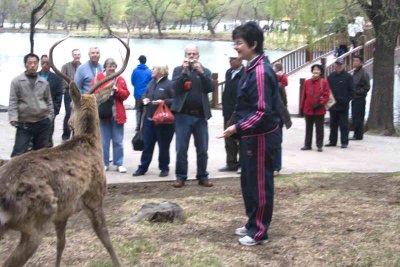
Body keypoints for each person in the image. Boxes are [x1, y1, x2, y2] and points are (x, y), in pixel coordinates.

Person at [221, 22, 282, 246]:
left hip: (262, 138)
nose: (236, 48)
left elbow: (263, 111)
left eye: (239, 43)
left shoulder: (260, 71)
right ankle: (251, 222)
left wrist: (237, 127)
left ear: (253, 44)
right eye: (235, 43)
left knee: (260, 184)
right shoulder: (250, 68)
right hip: (250, 137)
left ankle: (259, 232)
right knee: (248, 182)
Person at [171, 44, 214, 188]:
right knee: (181, 149)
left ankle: (202, 176)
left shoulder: (205, 71)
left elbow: (210, 88)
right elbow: (175, 89)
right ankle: (181, 176)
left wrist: (200, 72)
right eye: (189, 53)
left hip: (200, 116)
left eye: (194, 54)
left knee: (202, 149)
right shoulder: (178, 70)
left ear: (198, 56)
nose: (191, 56)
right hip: (183, 116)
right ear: (185, 55)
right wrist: (184, 72)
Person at [8, 53, 54, 157]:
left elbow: (49, 102)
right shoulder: (17, 81)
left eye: (35, 63)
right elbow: (13, 101)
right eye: (30, 63)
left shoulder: (44, 83)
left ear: (38, 65)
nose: (32, 65)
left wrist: (50, 117)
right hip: (25, 123)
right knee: (18, 152)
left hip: (42, 123)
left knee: (41, 153)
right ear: (25, 65)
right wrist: (13, 117)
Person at [133, 65, 175, 177]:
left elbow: (175, 100)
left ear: (161, 71)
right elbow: (144, 94)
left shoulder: (169, 84)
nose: (151, 70)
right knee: (147, 146)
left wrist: (163, 101)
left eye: (154, 69)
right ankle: (142, 168)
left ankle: (164, 168)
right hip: (149, 120)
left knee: (163, 146)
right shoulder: (151, 83)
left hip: (163, 122)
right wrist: (144, 99)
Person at [91, 58, 130, 173]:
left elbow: (126, 95)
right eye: (109, 66)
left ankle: (119, 163)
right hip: (103, 115)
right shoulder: (98, 78)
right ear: (105, 67)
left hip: (117, 115)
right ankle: (104, 163)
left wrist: (117, 90)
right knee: (104, 141)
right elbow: (93, 93)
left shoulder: (120, 79)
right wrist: (106, 89)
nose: (112, 68)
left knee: (118, 140)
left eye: (114, 66)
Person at [219, 51, 244, 172]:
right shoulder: (229, 73)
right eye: (230, 59)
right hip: (227, 111)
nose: (230, 61)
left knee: (241, 138)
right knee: (228, 138)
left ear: (240, 60)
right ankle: (231, 163)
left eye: (233, 59)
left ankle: (242, 164)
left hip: (239, 111)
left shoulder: (245, 73)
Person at [300, 64, 330, 152]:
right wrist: (302, 107)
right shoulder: (307, 82)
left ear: (321, 72)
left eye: (317, 70)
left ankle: (319, 145)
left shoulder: (324, 82)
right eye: (314, 69)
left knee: (319, 128)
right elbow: (303, 95)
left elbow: (326, 95)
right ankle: (307, 144)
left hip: (319, 109)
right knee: (308, 128)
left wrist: (320, 103)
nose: (315, 71)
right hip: (308, 108)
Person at [326, 58, 354, 148]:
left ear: (344, 65)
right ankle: (332, 141)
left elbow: (352, 91)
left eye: (340, 65)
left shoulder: (348, 77)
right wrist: (328, 102)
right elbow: (327, 90)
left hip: (343, 105)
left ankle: (344, 142)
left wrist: (346, 100)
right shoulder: (331, 76)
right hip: (332, 104)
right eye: (337, 65)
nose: (338, 66)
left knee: (344, 124)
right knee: (333, 124)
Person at [38, 54, 63, 147]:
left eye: (47, 63)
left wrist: (55, 110)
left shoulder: (56, 78)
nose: (45, 65)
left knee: (48, 136)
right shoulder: (35, 76)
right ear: (40, 63)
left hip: (50, 112)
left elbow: (59, 96)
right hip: (36, 112)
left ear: (51, 64)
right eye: (43, 62)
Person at [61, 48, 81, 142]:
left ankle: (75, 134)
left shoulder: (82, 66)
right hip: (68, 94)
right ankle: (66, 135)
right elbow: (62, 79)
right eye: (75, 54)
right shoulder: (65, 66)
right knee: (69, 114)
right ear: (72, 55)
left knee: (77, 114)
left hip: (79, 94)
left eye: (78, 54)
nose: (77, 56)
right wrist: (71, 86)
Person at [273, 62, 289, 175]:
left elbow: (284, 102)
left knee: (277, 142)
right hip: (267, 118)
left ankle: (277, 167)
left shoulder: (279, 87)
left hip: (277, 117)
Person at [351, 55, 370, 140]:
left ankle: (358, 135)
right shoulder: (355, 72)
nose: (355, 62)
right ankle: (356, 133)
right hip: (354, 98)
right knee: (355, 115)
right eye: (354, 61)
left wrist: (358, 93)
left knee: (359, 116)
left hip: (360, 98)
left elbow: (367, 87)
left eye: (357, 61)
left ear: (361, 62)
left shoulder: (364, 72)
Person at [131, 55, 152, 131]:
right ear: (145, 61)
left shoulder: (135, 70)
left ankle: (138, 125)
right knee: (145, 110)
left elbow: (132, 82)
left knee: (138, 110)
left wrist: (137, 86)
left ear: (139, 61)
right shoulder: (149, 71)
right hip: (146, 94)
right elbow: (151, 83)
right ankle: (142, 125)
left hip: (137, 93)